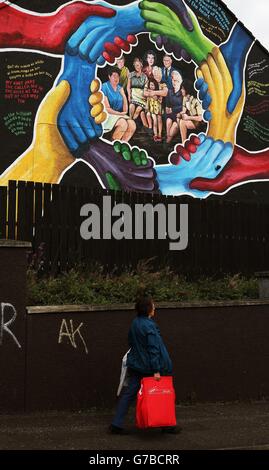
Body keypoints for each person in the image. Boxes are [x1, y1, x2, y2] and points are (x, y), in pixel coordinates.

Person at [109, 293, 179, 435]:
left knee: (128, 394)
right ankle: (166, 424)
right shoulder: (150, 327)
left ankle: (116, 424)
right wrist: (156, 370)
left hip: (137, 365)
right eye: (153, 305)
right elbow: (154, 349)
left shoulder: (135, 323)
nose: (155, 307)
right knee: (163, 393)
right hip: (150, 367)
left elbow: (130, 341)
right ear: (148, 309)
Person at [102, 67, 136, 142]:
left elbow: (125, 110)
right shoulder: (104, 87)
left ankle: (122, 144)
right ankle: (112, 145)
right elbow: (107, 108)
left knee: (132, 124)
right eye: (114, 76)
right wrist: (120, 114)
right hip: (108, 115)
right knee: (123, 123)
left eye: (117, 76)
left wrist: (123, 96)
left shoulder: (120, 88)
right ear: (109, 77)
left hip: (118, 115)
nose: (116, 78)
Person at [144, 66, 168, 139]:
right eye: (155, 74)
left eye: (158, 74)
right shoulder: (150, 82)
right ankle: (155, 134)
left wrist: (154, 93)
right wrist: (154, 94)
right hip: (151, 107)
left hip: (160, 107)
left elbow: (165, 93)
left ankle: (159, 134)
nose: (157, 75)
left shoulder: (163, 84)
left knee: (159, 120)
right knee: (154, 120)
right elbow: (144, 92)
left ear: (161, 74)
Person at [127, 57, 148, 127]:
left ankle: (131, 123)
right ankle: (130, 122)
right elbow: (128, 87)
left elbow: (146, 88)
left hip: (142, 98)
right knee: (131, 106)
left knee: (138, 110)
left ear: (141, 65)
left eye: (138, 65)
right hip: (134, 97)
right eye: (135, 65)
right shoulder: (131, 74)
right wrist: (129, 96)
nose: (137, 67)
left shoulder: (145, 76)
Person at [166, 70, 183, 144]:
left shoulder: (183, 92)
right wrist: (167, 108)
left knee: (174, 125)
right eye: (172, 79)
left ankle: (168, 141)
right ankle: (168, 138)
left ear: (180, 81)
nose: (174, 82)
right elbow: (167, 104)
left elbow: (183, 106)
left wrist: (172, 109)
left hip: (179, 116)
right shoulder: (169, 91)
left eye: (176, 80)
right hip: (171, 115)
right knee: (168, 121)